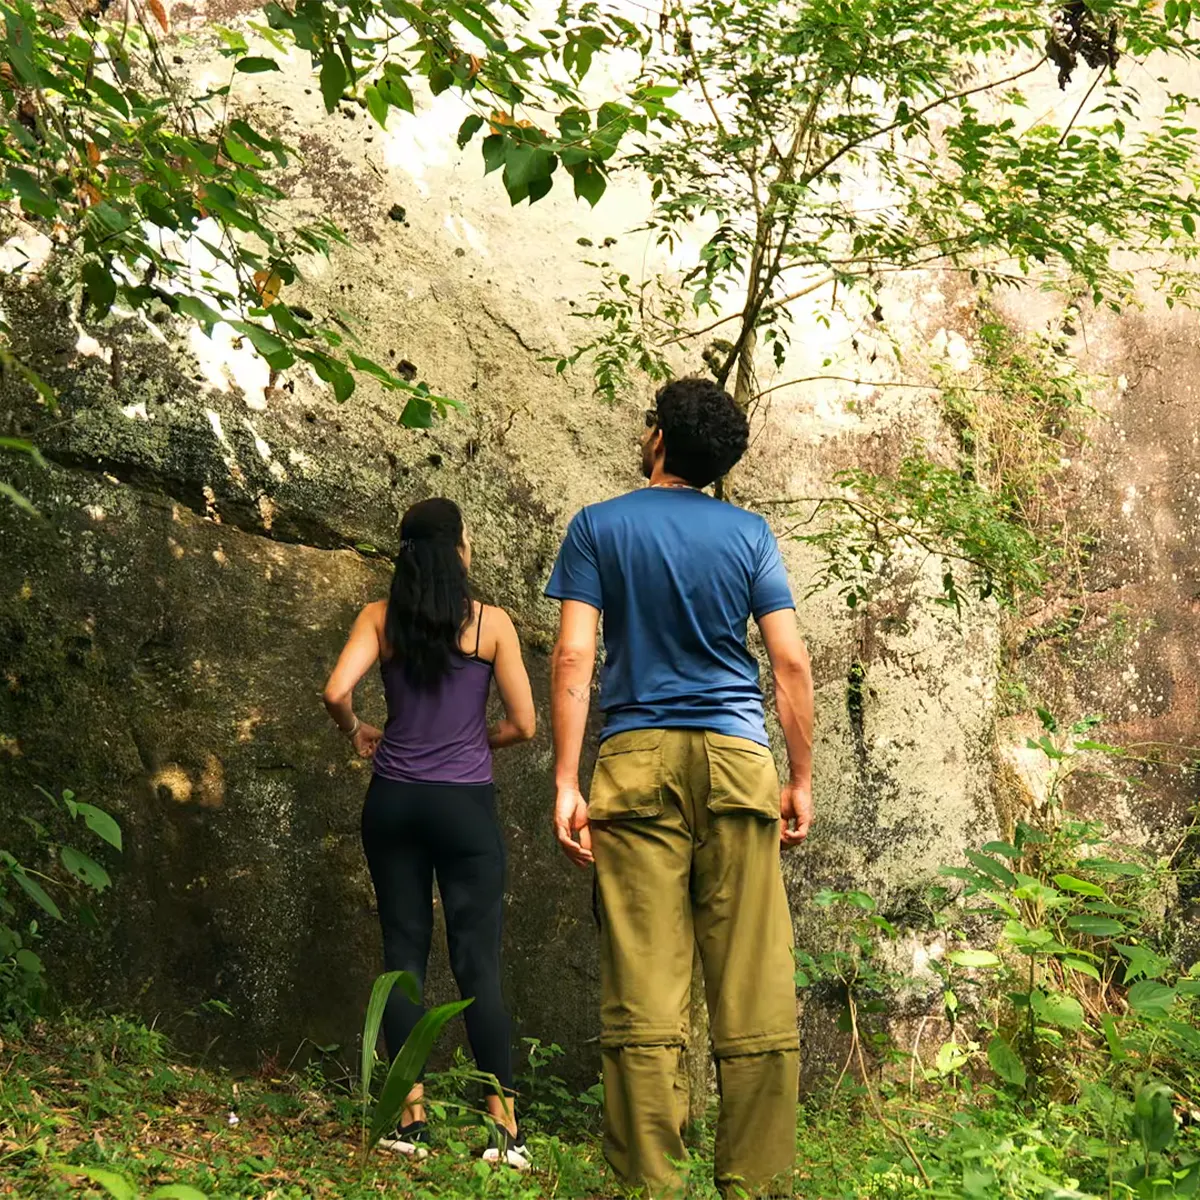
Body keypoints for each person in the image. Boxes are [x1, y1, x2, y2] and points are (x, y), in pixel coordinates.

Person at [545, 378, 815, 1198]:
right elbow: (789, 661)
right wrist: (800, 777)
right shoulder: (749, 535)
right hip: (738, 758)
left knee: (644, 980)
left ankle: (651, 1185)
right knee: (753, 980)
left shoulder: (598, 526)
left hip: (635, 762)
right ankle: (756, 1184)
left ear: (659, 438)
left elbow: (574, 655)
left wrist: (566, 779)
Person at [323, 497, 537, 1170]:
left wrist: (356, 730)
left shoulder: (379, 618)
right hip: (464, 807)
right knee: (478, 962)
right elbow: (525, 724)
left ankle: (408, 1119)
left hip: (394, 803)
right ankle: (504, 1131)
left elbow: (336, 692)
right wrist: (477, 740)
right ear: (459, 552)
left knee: (403, 954)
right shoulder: (491, 625)